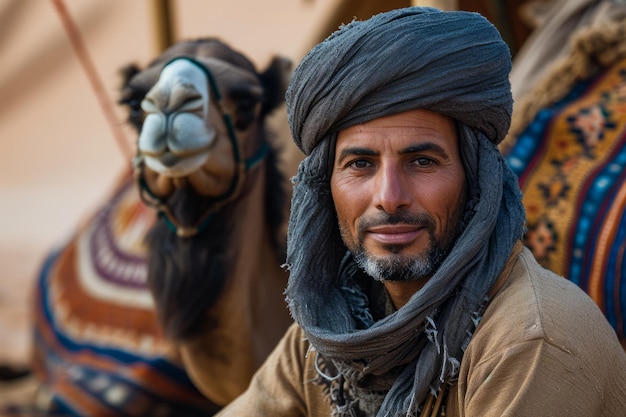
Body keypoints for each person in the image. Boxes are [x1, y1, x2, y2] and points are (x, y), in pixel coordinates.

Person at [216, 7, 626, 417]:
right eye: (361, 164)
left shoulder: (530, 341)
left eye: (422, 161)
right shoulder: (331, 337)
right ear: (325, 187)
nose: (389, 197)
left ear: (475, 177)